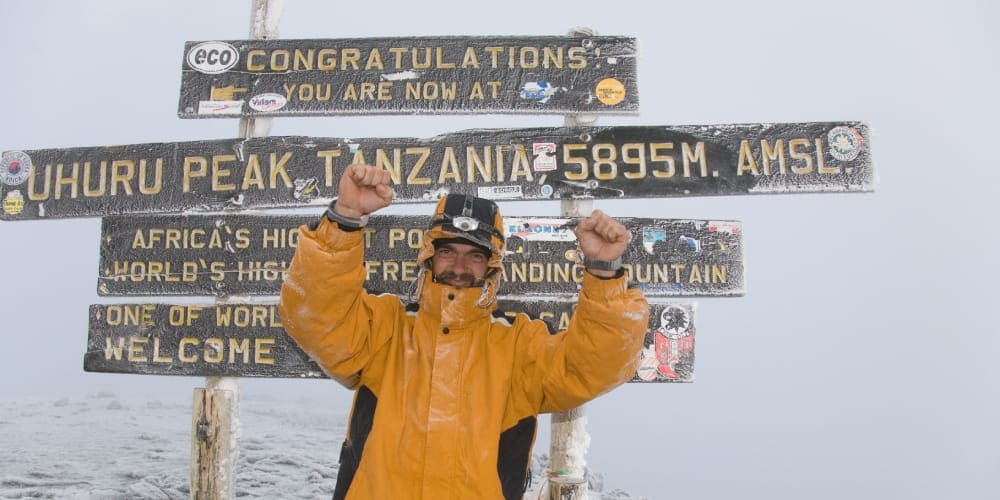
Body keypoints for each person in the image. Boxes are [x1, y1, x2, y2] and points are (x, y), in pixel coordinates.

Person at [278, 163, 649, 500]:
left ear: (492, 264)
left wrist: (604, 271)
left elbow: (593, 366)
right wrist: (345, 219)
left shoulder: (518, 345)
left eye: (474, 255)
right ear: (428, 256)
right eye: (448, 251)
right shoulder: (385, 328)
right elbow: (315, 316)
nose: (459, 265)